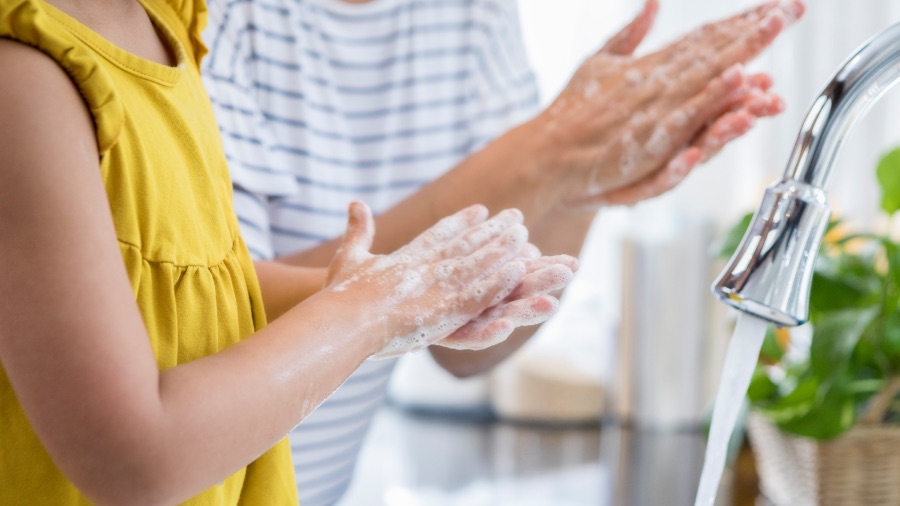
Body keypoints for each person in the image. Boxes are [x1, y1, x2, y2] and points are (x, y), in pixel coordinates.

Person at [201, 0, 806, 503]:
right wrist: (548, 150)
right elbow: (212, 316)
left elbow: (467, 352)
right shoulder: (210, 17)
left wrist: (580, 182)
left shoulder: (474, 14)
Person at [0, 0, 577, 503]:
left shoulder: (170, 21)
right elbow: (133, 460)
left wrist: (394, 289)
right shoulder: (23, 76)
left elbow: (184, 289)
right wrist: (370, 312)